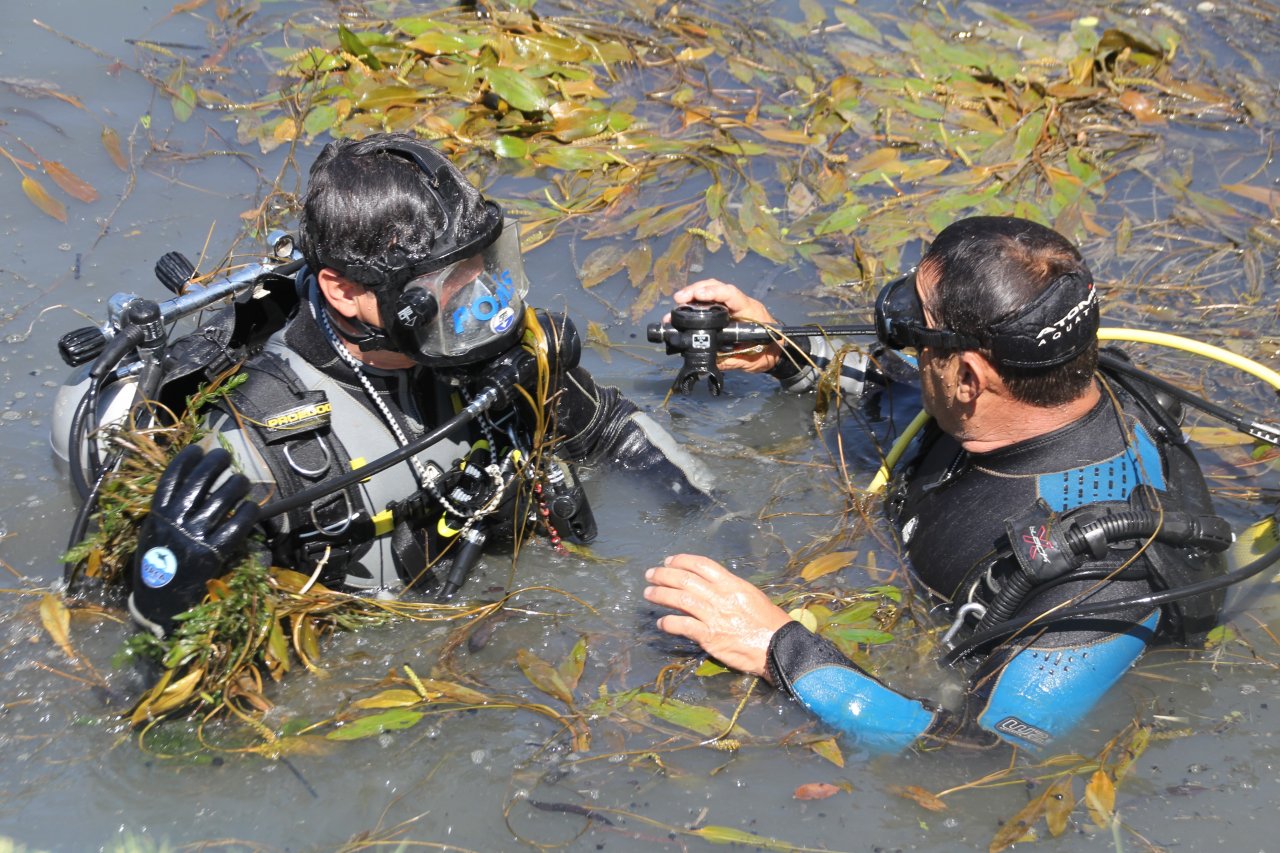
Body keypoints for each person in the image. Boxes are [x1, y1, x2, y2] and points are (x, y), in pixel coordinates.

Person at [644, 216, 1229, 752]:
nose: (905, 343)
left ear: (969, 377)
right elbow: (909, 399)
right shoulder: (1021, 399)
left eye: (915, 331)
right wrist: (788, 353)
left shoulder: (1103, 585)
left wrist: (781, 650)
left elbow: (986, 761)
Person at [126, 133, 713, 637]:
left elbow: (611, 429)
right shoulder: (253, 446)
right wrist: (166, 594)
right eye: (445, 281)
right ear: (344, 291)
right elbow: (199, 680)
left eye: (480, 263)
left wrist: (714, 520)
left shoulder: (493, 343)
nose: (480, 298)